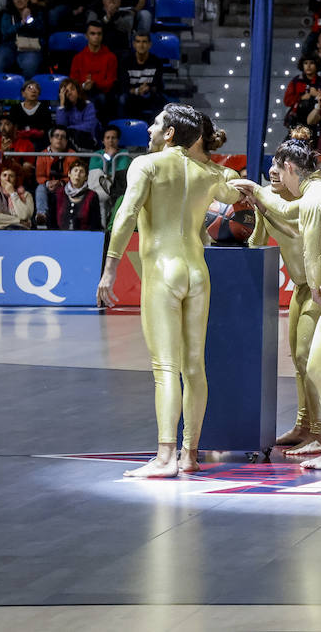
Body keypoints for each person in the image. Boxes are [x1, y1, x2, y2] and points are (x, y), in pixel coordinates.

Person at [97, 105, 241, 478]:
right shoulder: (208, 172)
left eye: (157, 123)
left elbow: (126, 214)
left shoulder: (146, 166)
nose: (149, 128)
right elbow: (235, 186)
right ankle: (189, 454)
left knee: (166, 369)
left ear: (170, 133)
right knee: (195, 368)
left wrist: (110, 267)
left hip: (163, 271)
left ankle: (164, 457)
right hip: (198, 271)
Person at [233, 139, 321, 470]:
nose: (278, 178)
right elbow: (283, 209)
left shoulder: (314, 198)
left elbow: (310, 250)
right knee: (314, 367)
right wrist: (255, 190)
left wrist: (316, 287)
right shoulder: (319, 191)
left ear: (291, 169)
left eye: (279, 170)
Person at [244, 147, 321, 455]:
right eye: (272, 166)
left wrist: (264, 209)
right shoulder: (267, 199)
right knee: (297, 360)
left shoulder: (307, 199)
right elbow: (257, 242)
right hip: (300, 288)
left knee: (308, 357)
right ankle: (303, 425)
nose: (273, 172)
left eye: (281, 166)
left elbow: (297, 231)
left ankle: (320, 433)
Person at [0, 163, 33, 230]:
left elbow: (24, 216)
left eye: (11, 176)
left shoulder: (26, 195)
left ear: (16, 179)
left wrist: (13, 193)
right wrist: (18, 221)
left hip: (17, 231)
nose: (7, 179)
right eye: (4, 175)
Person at [53, 158, 101, 230]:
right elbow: (51, 220)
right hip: (59, 237)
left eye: (81, 172)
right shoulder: (58, 193)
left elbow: (95, 223)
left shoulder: (92, 196)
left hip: (84, 238)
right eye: (75, 170)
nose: (77, 174)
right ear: (69, 174)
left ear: (86, 177)